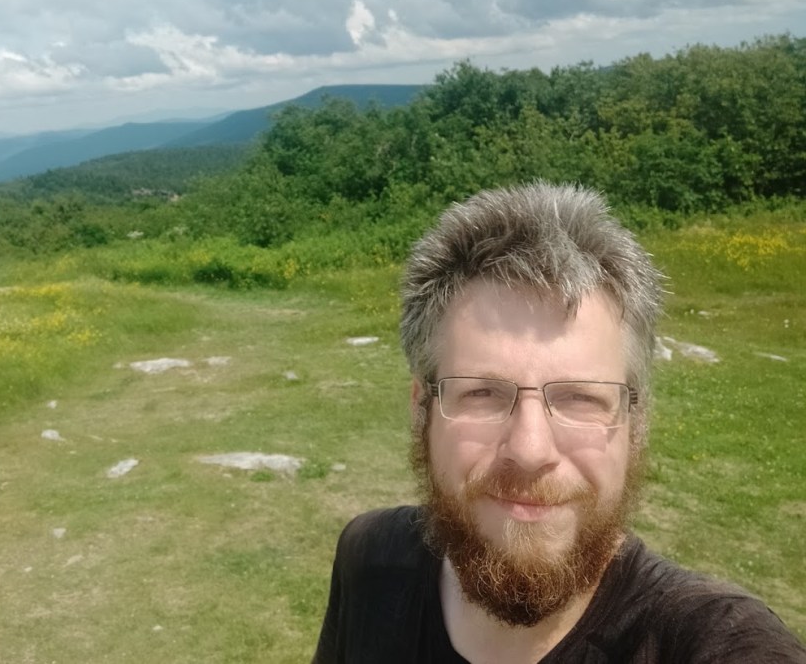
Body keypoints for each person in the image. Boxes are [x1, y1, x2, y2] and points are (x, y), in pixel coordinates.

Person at [312, 182, 805, 663]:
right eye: (482, 393)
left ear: (636, 422)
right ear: (422, 410)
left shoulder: (712, 641)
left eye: (580, 398)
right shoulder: (368, 558)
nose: (530, 450)